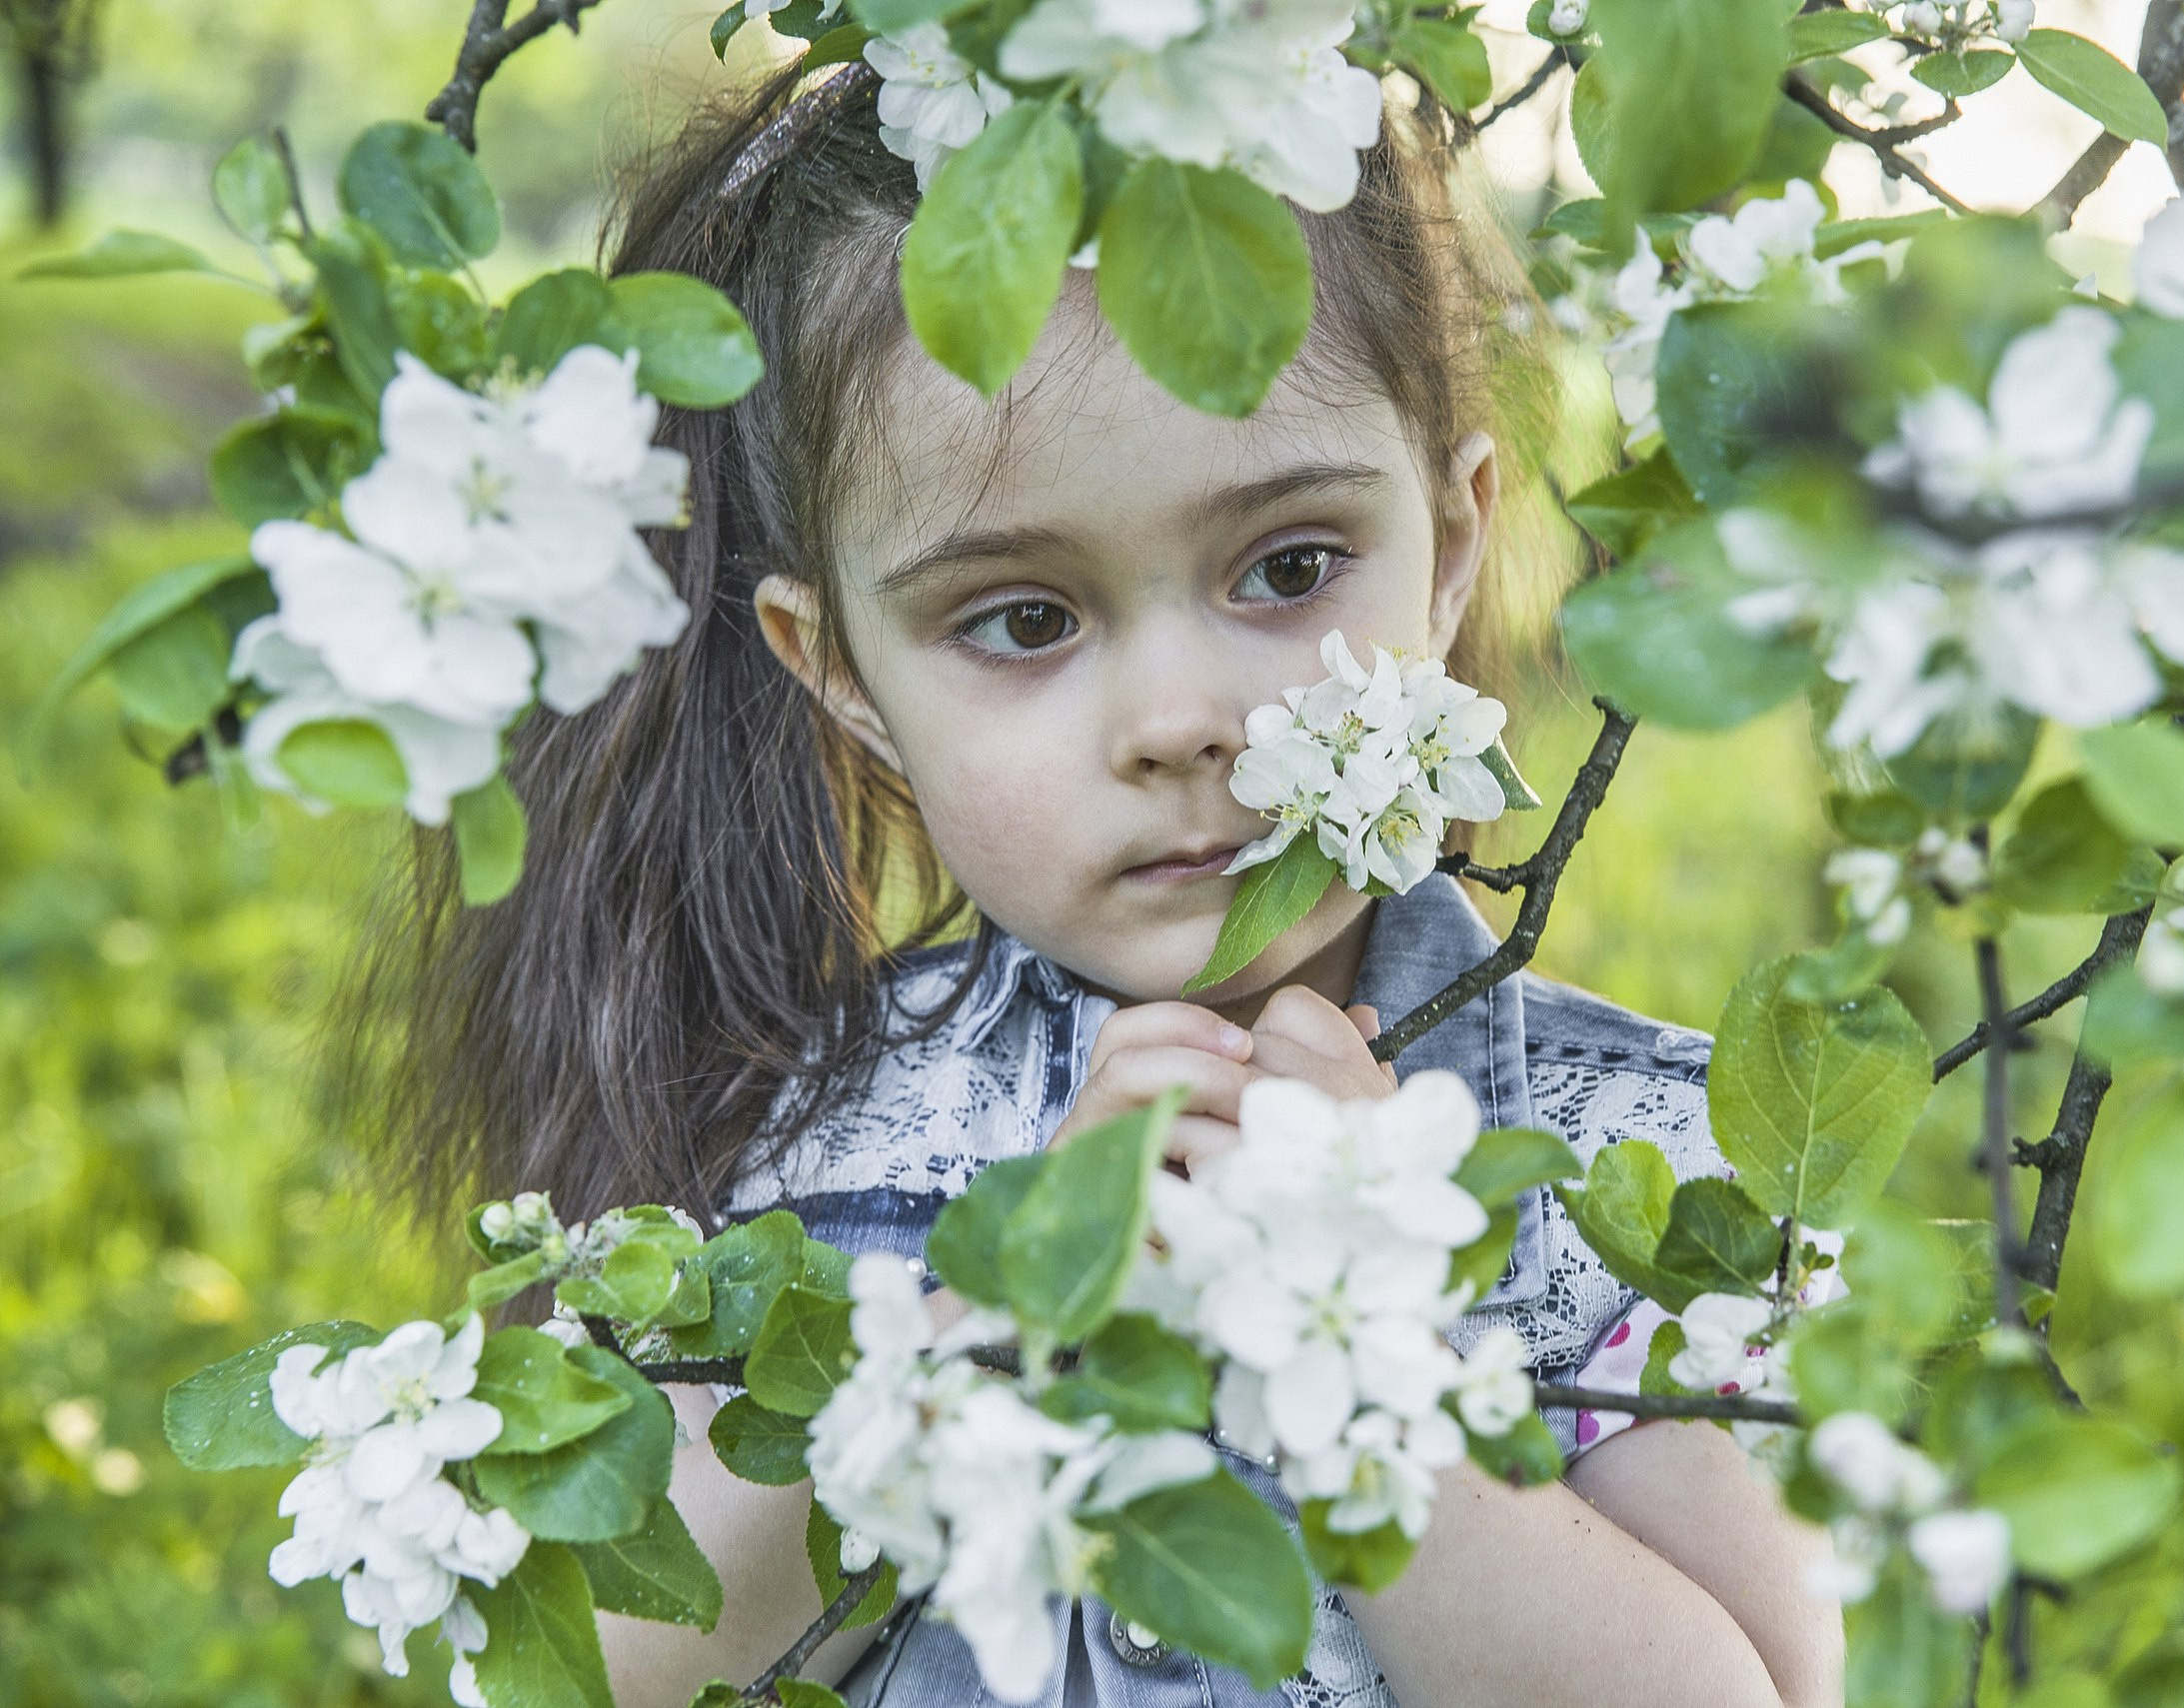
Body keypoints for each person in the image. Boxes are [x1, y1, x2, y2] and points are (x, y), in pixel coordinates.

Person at [345, 61, 1841, 1708]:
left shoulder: (1636, 1171)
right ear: (839, 672)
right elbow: (612, 1668)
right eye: (1024, 620)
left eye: (1286, 568)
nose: (1180, 721)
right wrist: (978, 1322)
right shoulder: (805, 1137)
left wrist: (1354, 1351)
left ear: (1454, 543)